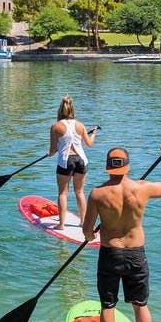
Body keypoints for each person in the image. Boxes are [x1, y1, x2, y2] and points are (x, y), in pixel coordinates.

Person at [82, 144, 161, 322]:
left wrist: (91, 236)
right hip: (136, 254)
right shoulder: (141, 189)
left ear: (107, 167)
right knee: (140, 304)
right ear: (128, 166)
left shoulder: (97, 194)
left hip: (110, 254)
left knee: (107, 306)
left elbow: (87, 232)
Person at [47, 96, 99, 230]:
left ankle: (61, 224)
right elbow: (89, 144)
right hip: (81, 160)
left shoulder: (55, 126)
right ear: (72, 110)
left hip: (66, 161)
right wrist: (93, 134)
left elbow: (53, 151)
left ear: (60, 110)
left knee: (63, 193)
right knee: (80, 192)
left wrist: (50, 154)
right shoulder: (80, 125)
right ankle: (84, 222)